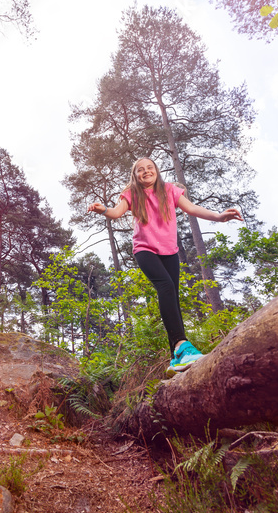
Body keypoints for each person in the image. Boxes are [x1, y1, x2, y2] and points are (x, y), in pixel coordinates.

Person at [87, 157, 243, 377]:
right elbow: (116, 212)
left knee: (173, 297)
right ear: (135, 176)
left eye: (150, 168)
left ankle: (176, 358)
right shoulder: (132, 194)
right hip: (145, 250)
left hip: (170, 251)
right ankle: (181, 344)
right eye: (140, 170)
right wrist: (103, 209)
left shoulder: (170, 190)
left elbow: (192, 209)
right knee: (166, 287)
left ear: (157, 171)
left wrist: (218, 216)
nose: (146, 171)